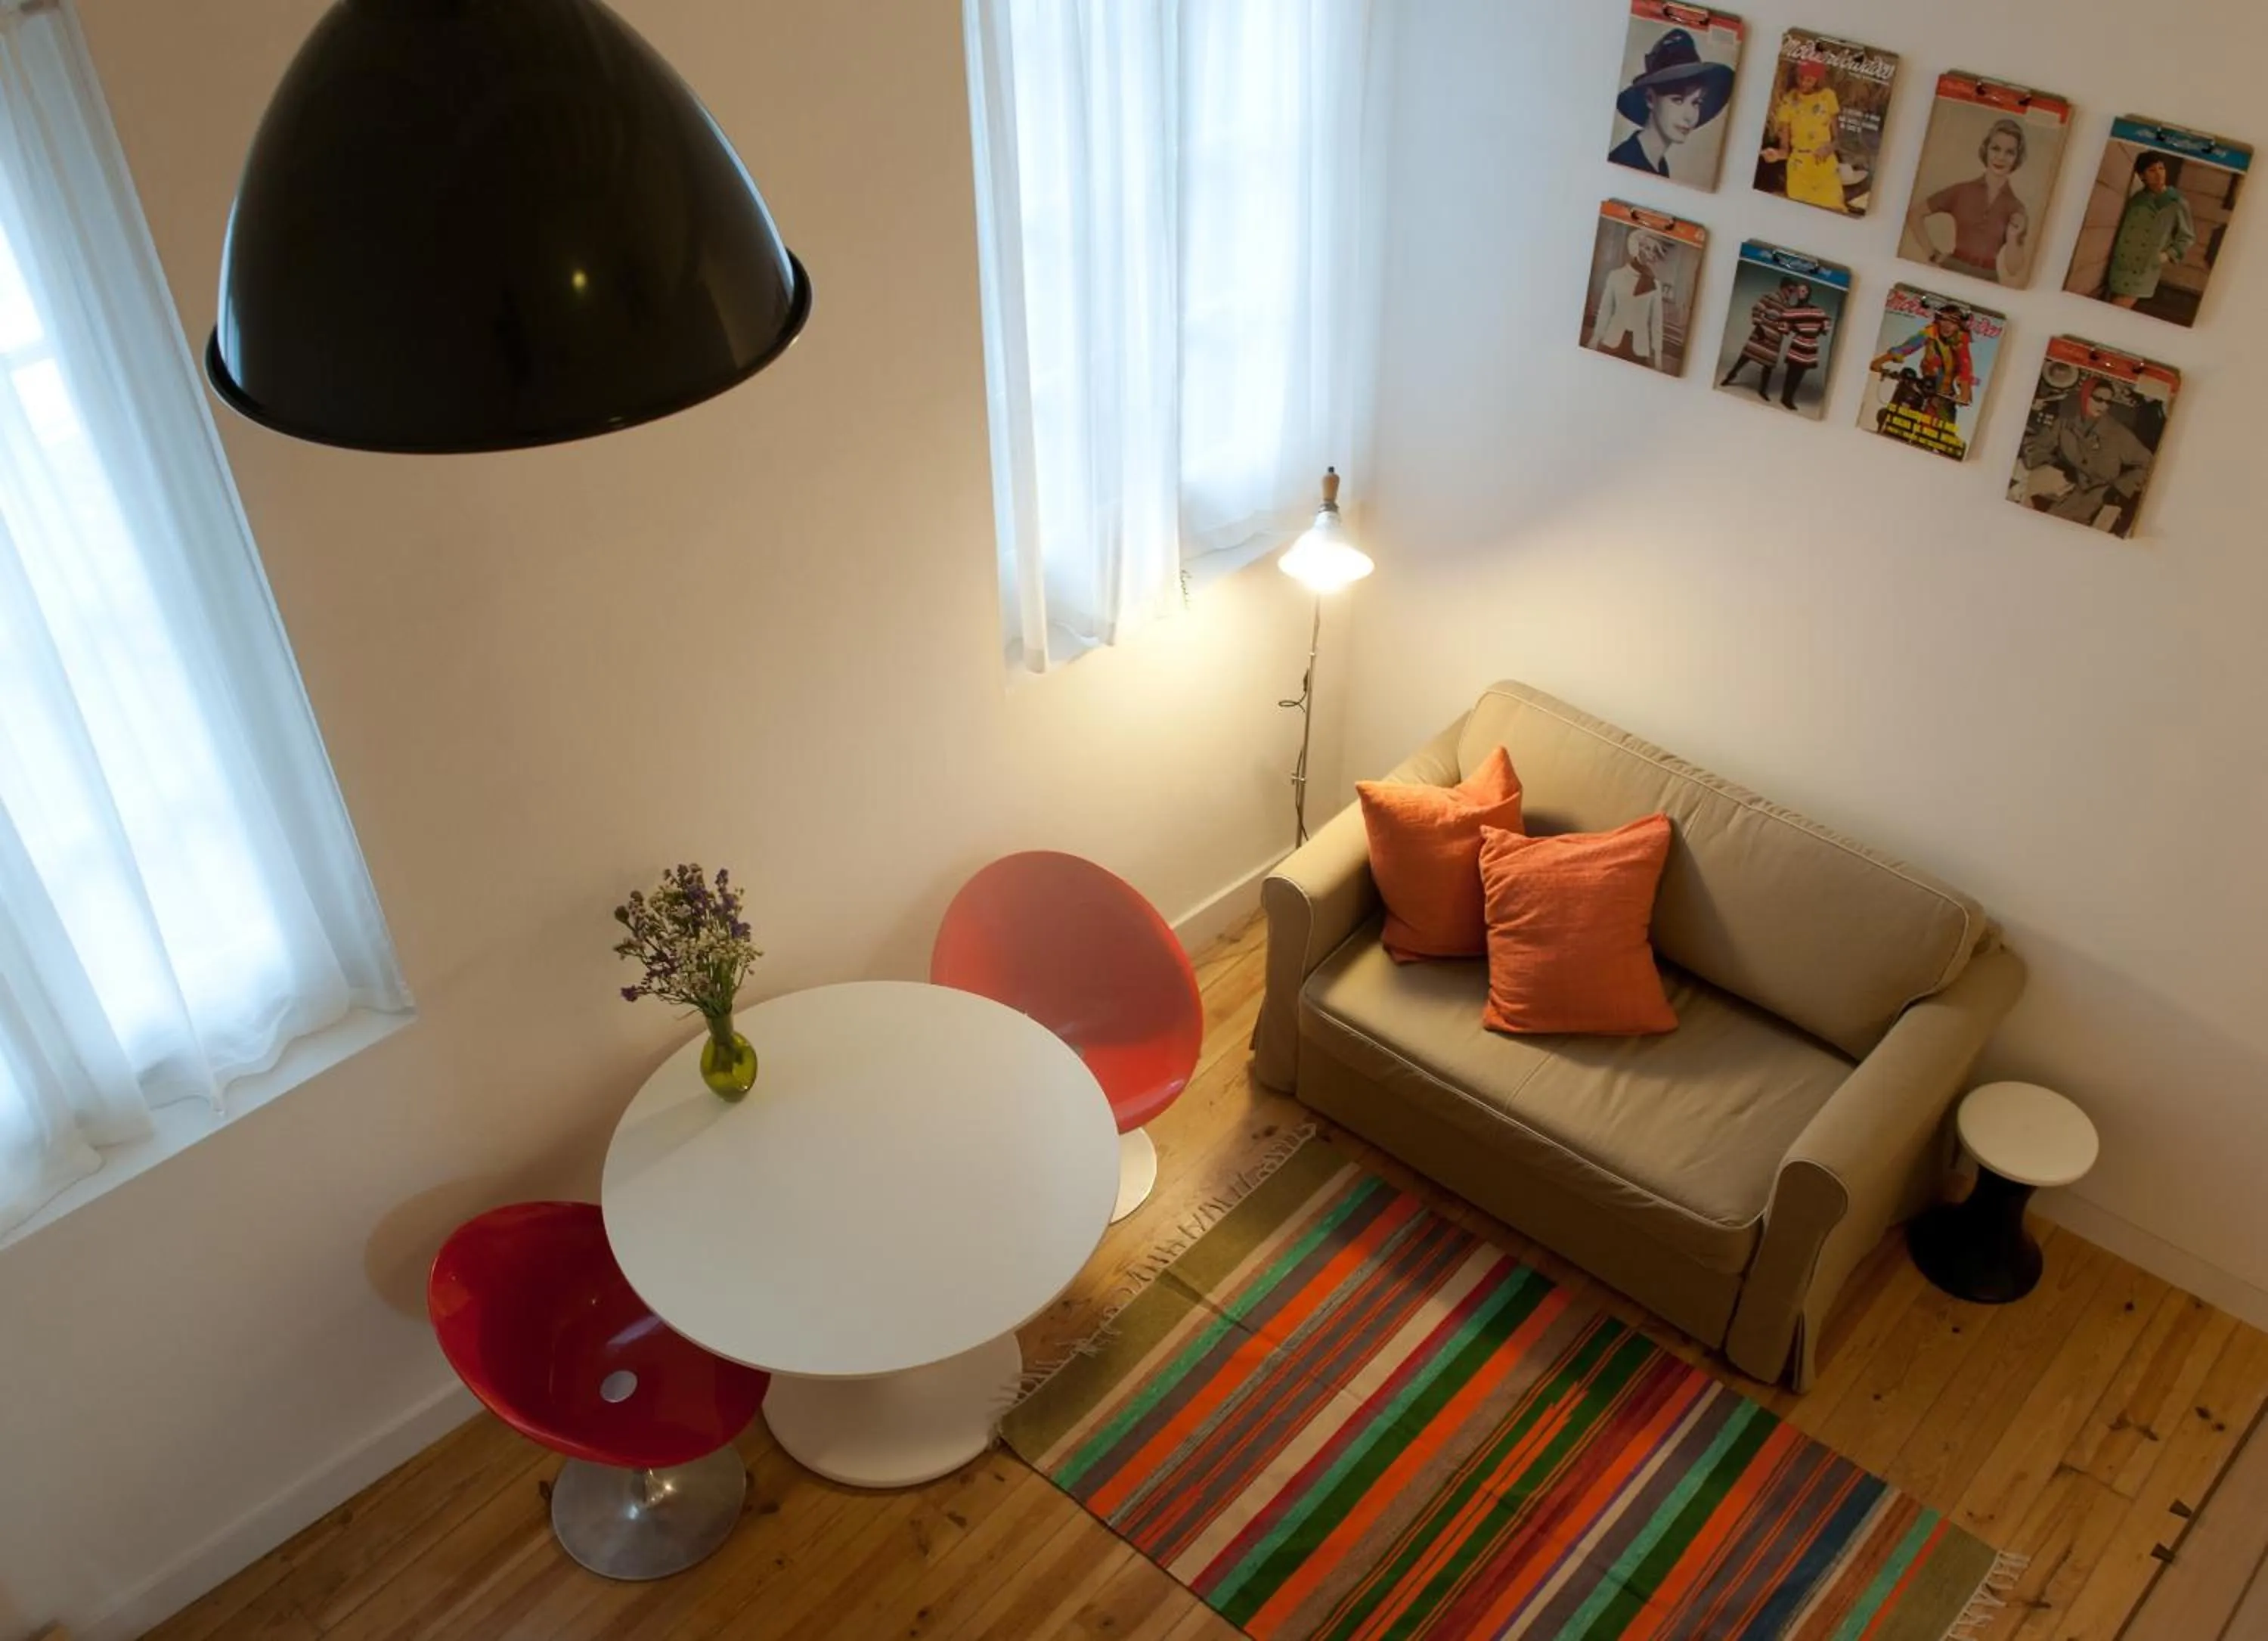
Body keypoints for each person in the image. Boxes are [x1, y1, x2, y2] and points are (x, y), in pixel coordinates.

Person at [1906, 116, 2034, 284]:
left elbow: (2013, 269)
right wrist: (1932, 254)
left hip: (1987, 280)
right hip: (1951, 272)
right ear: (1986, 150)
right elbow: (1915, 215)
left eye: (2010, 152)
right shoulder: (1962, 191)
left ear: (2017, 158)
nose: (2001, 157)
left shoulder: (2016, 208)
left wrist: (2013, 236)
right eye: (1995, 149)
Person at [2015, 379, 2155, 527]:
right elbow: (2037, 448)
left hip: (2097, 497)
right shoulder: (2065, 423)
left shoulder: (2118, 434)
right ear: (2085, 396)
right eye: (2098, 399)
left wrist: (2121, 488)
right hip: (2063, 488)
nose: (2103, 406)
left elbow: (2148, 464)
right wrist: (2056, 465)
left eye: (2108, 402)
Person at [1610, 28, 1736, 178]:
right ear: (1650, 99)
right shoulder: (1624, 161)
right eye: (1678, 100)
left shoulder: (1660, 166)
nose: (1689, 117)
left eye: (1696, 103)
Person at [2105, 150, 2195, 308]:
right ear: (2142, 176)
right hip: (2120, 265)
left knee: (2115, 310)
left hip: (2143, 270)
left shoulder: (2177, 203)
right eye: (2152, 170)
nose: (2159, 174)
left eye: (2161, 168)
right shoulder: (2137, 199)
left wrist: (2167, 255)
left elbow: (2187, 237)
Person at [1871, 302, 1974, 429]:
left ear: (1959, 326)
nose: (1947, 325)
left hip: (1944, 394)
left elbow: (1965, 368)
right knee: (1898, 414)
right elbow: (1908, 347)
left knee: (1937, 430)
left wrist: (1964, 394)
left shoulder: (1960, 341)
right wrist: (1880, 361)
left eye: (1953, 322)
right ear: (1938, 320)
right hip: (1924, 387)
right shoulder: (1931, 332)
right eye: (1944, 320)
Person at [1764, 57, 1845, 211]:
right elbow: (1785, 151)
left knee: (1834, 210)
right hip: (1799, 169)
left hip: (1825, 165)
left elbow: (1838, 140)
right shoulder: (1788, 101)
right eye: (1800, 78)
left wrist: (1829, 148)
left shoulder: (1827, 97)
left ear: (1817, 80)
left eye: (1809, 80)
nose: (1803, 83)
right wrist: (1775, 155)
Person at [1588, 228, 1672, 368]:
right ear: (1636, 248)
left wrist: (1658, 355)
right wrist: (1596, 337)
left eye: (1653, 251)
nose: (1651, 254)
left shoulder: (1655, 284)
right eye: (1647, 248)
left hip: (1639, 348)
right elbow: (1606, 310)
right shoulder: (1616, 276)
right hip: (1612, 341)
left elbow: (1656, 322)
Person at [1720, 277, 1796, 399]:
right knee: (1745, 356)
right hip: (1761, 333)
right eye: (1790, 290)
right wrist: (1758, 325)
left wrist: (1785, 328)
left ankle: (1763, 390)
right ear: (1783, 287)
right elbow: (1757, 309)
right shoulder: (1770, 296)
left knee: (1768, 365)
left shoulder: (1788, 307)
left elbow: (1787, 324)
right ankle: (1730, 376)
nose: (1791, 294)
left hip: (1774, 340)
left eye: (1793, 292)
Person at [1774, 282, 1834, 411]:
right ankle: (1786, 398)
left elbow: (1826, 323)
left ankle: (1789, 397)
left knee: (1800, 373)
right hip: (1798, 343)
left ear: (1809, 293)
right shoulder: (1792, 311)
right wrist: (1794, 328)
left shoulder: (1817, 310)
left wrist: (1818, 331)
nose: (1801, 293)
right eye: (1799, 291)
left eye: (1804, 291)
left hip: (1811, 345)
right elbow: (1782, 324)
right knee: (1792, 372)